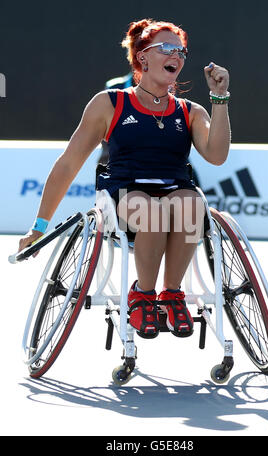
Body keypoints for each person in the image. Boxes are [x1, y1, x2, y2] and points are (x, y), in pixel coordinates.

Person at [18, 19, 231, 340]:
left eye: (182, 51)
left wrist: (220, 98)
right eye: (168, 48)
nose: (178, 55)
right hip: (122, 195)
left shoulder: (190, 110)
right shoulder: (109, 103)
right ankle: (142, 294)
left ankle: (171, 294)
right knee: (153, 210)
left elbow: (216, 156)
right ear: (143, 57)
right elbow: (68, 165)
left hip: (174, 191)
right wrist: (40, 226)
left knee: (191, 202)